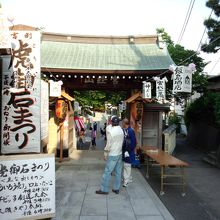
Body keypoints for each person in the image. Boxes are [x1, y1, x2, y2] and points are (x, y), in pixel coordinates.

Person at [95, 116, 124, 195]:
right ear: (118, 122)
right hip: (120, 153)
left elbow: (108, 144)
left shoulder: (110, 131)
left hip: (112, 154)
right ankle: (116, 188)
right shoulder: (121, 130)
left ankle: (104, 189)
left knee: (107, 172)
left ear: (111, 122)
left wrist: (105, 154)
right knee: (118, 172)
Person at [122, 118, 137, 187]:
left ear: (125, 123)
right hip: (126, 150)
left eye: (123, 123)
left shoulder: (130, 131)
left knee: (127, 165)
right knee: (127, 165)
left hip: (128, 151)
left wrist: (128, 150)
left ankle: (126, 180)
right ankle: (129, 178)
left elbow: (133, 142)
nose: (122, 124)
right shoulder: (127, 130)